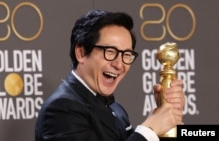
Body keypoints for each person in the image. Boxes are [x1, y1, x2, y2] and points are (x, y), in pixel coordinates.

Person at [35, 10, 185, 141]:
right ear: (81, 53)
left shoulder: (116, 109)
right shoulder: (60, 110)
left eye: (126, 54)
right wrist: (148, 130)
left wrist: (165, 122)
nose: (119, 64)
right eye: (110, 52)